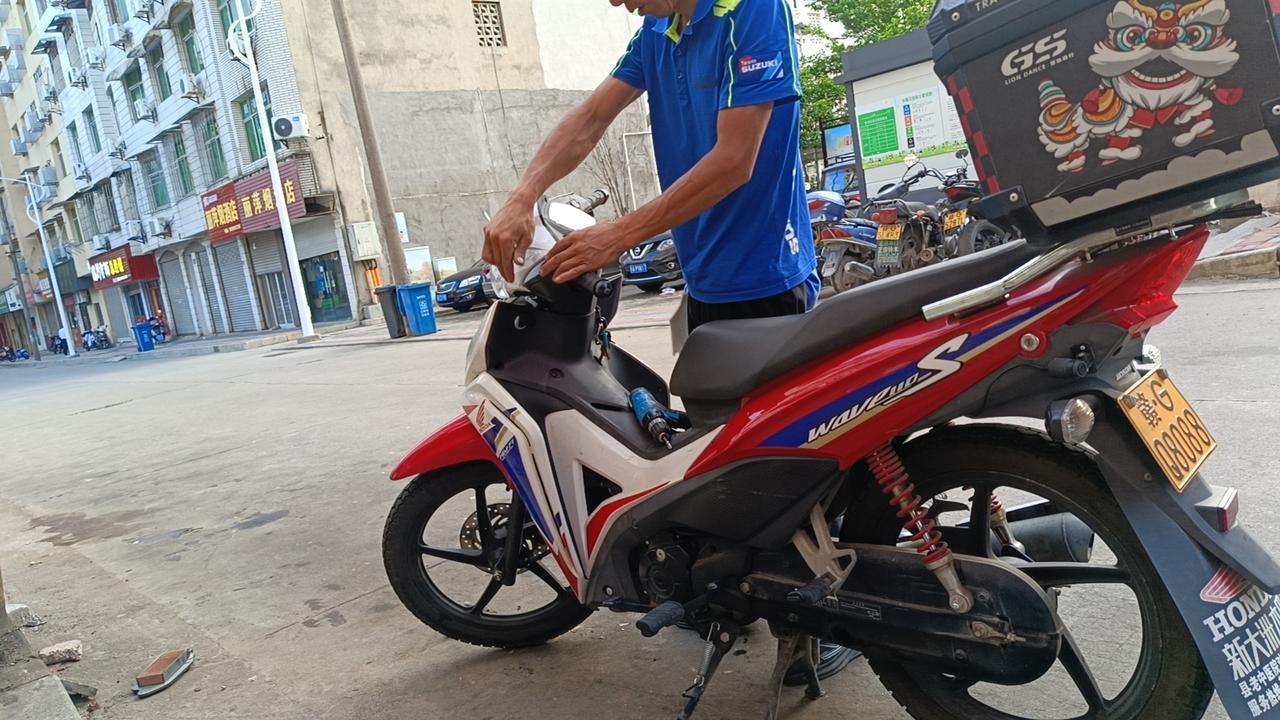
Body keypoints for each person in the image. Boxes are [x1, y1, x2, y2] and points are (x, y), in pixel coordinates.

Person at [483, 0, 850, 684]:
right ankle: (734, 589)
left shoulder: (752, 13)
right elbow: (591, 117)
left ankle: (814, 623)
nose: (618, 2)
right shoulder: (659, 31)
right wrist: (522, 196)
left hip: (767, 280)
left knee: (786, 467)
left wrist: (619, 235)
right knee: (718, 455)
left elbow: (735, 160)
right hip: (706, 280)